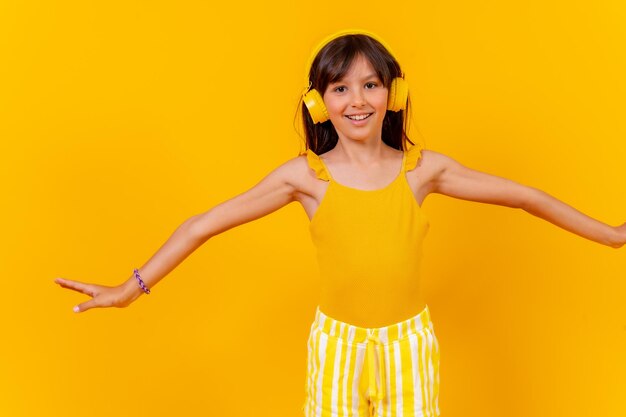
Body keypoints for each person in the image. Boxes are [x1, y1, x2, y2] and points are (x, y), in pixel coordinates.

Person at [54, 29, 626, 417]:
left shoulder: (421, 171)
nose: (357, 99)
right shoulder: (304, 177)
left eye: (371, 84)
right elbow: (202, 224)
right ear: (319, 102)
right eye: (340, 87)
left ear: (393, 94)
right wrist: (129, 290)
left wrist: (614, 235)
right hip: (337, 347)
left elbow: (525, 197)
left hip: (407, 344)